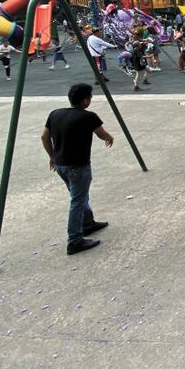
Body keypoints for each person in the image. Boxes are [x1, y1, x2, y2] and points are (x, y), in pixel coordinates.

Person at [40, 83, 113, 256]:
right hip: (78, 166)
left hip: (61, 165)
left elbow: (44, 136)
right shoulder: (88, 116)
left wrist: (52, 156)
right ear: (86, 100)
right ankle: (74, 240)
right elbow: (101, 134)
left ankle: (87, 224)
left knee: (79, 196)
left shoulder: (55, 114)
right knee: (78, 201)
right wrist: (109, 137)